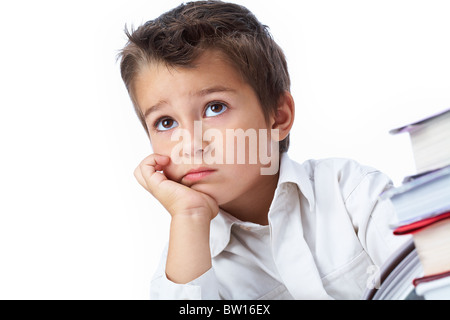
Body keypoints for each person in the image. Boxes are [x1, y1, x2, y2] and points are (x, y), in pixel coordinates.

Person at [119, 0, 406, 299]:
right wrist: (189, 216)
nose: (191, 144)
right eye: (165, 123)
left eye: (215, 107)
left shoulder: (352, 193)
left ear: (278, 116)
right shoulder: (185, 265)